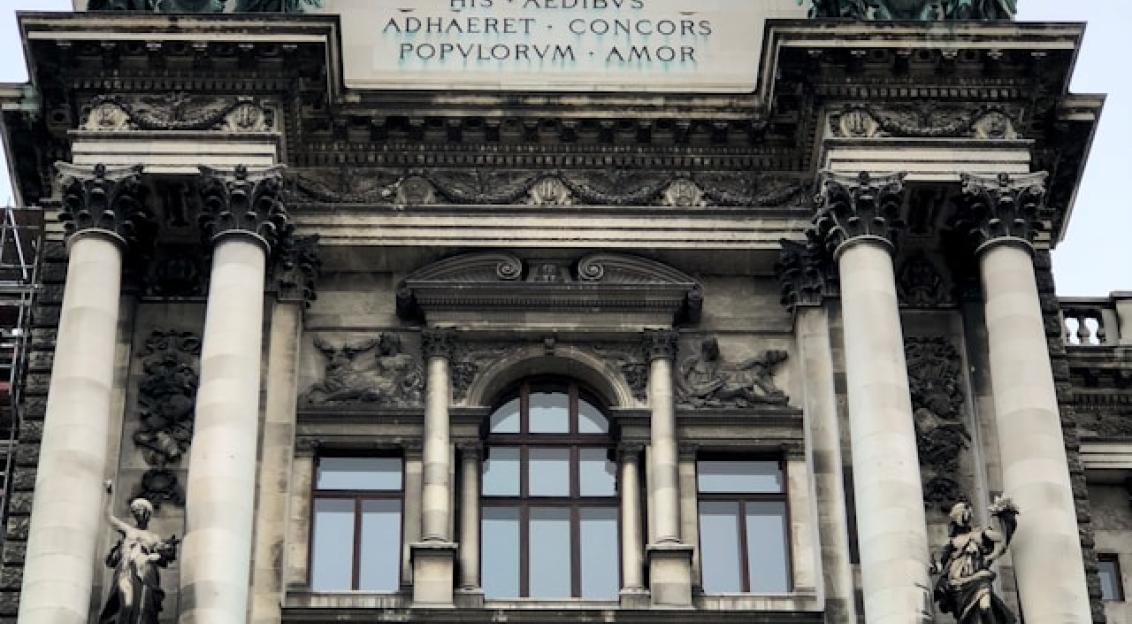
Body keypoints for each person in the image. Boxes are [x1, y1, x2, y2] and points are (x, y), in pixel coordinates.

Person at [99, 484, 179, 624]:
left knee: (143, 603)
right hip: (126, 568)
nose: (139, 514)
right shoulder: (128, 530)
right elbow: (109, 518)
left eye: (142, 511)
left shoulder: (154, 537)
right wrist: (109, 494)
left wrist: (158, 555)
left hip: (146, 569)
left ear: (148, 514)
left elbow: (164, 555)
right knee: (126, 603)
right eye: (136, 511)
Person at [932, 497, 1019, 624]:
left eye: (968, 513)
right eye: (964, 513)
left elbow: (1001, 538)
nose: (968, 516)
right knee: (968, 618)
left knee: (985, 606)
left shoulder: (979, 535)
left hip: (979, 578)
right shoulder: (952, 542)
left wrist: (1004, 518)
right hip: (958, 585)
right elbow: (942, 561)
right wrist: (936, 567)